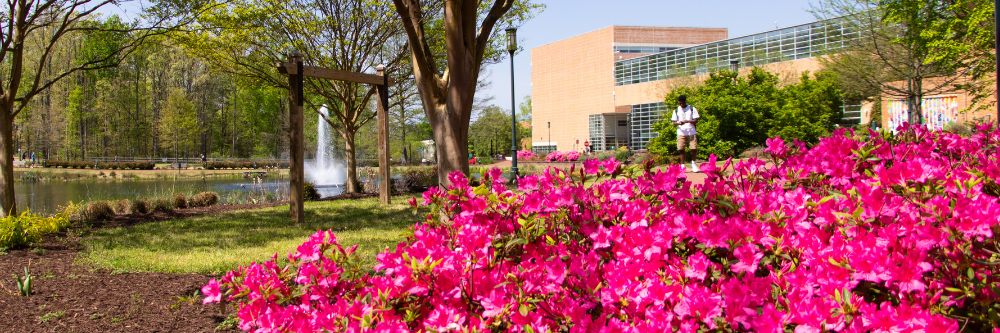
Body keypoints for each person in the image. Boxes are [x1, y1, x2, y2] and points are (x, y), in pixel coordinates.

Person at [670, 95, 700, 173]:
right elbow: (674, 122)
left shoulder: (692, 109)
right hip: (681, 131)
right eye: (680, 103)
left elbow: (696, 120)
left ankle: (693, 163)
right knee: (681, 148)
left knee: (693, 148)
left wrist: (688, 121)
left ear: (685, 102)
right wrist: (678, 123)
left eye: (682, 103)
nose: (681, 105)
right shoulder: (676, 110)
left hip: (691, 131)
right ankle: (682, 165)